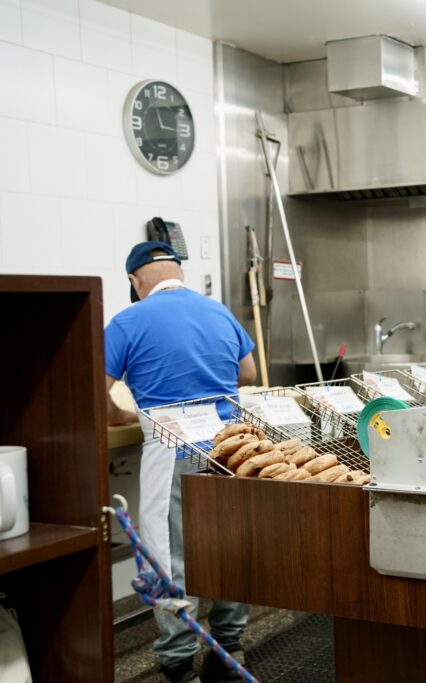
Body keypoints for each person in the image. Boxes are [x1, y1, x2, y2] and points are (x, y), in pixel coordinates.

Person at [105, 241, 258, 683]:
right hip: (231, 446)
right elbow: (246, 374)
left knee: (169, 556)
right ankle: (230, 648)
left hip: (173, 449)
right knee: (231, 547)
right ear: (180, 274)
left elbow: (93, 391)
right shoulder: (218, 312)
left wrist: (121, 415)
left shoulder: (127, 320)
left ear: (135, 282)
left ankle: (178, 661)